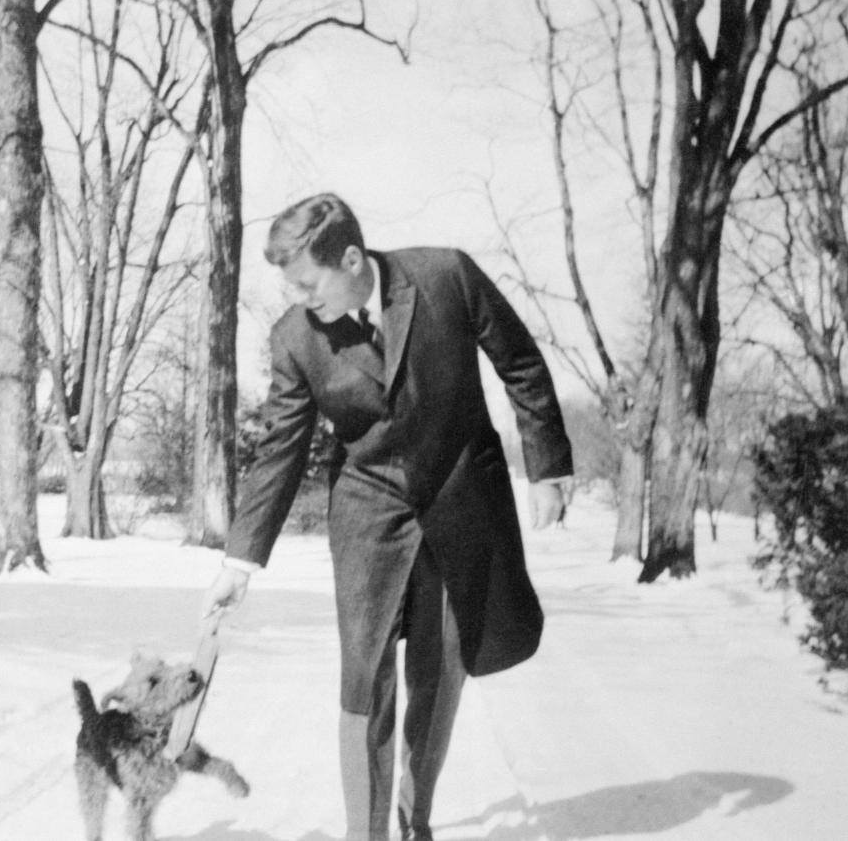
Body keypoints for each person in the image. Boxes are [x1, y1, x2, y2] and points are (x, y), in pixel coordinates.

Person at [200, 193, 572, 841]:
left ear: (350, 258)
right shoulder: (296, 338)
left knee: (438, 668)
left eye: (309, 283)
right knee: (364, 681)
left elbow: (520, 363)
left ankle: (413, 816)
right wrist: (240, 560)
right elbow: (279, 453)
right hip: (368, 516)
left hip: (461, 503)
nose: (301, 298)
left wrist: (547, 464)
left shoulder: (445, 277)